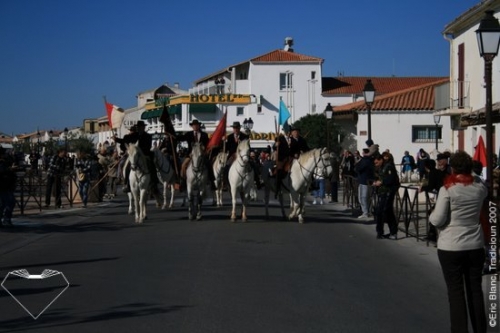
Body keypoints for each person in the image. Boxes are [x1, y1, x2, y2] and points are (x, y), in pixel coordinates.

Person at [429, 151, 488, 333]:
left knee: (455, 293)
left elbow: (437, 220)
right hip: (475, 244)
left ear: (452, 168)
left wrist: (432, 215)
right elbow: (482, 187)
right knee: (475, 291)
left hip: (451, 245)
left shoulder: (447, 189)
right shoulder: (479, 187)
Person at [176, 119, 215, 190]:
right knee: (183, 165)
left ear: (199, 126)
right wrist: (172, 135)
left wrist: (206, 150)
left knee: (209, 164)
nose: (195, 126)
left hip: (201, 155)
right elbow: (180, 138)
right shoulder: (189, 134)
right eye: (193, 125)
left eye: (196, 125)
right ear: (192, 126)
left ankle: (212, 181)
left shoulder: (204, 135)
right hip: (190, 155)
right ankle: (183, 181)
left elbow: (208, 145)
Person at [372, 152, 400, 239]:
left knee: (386, 211)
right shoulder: (381, 167)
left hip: (388, 192)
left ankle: (393, 232)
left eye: (377, 162)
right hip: (382, 192)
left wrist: (381, 182)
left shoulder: (388, 167)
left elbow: (391, 179)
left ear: (381, 160)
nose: (375, 164)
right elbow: (379, 177)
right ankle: (380, 232)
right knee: (381, 212)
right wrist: (375, 182)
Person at [354, 148, 374, 219]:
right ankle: (365, 212)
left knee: (363, 197)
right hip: (363, 180)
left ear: (365, 153)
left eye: (363, 152)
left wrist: (357, 165)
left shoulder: (365, 160)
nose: (362, 154)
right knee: (362, 198)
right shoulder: (365, 159)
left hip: (365, 181)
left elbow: (358, 168)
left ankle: (366, 212)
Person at [0, 146, 17, 227]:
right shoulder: (2, 162)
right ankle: (6, 219)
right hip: (3, 185)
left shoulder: (5, 161)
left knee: (8, 203)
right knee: (8, 203)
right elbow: (2, 171)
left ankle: (6, 219)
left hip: (7, 185)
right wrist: (10, 169)